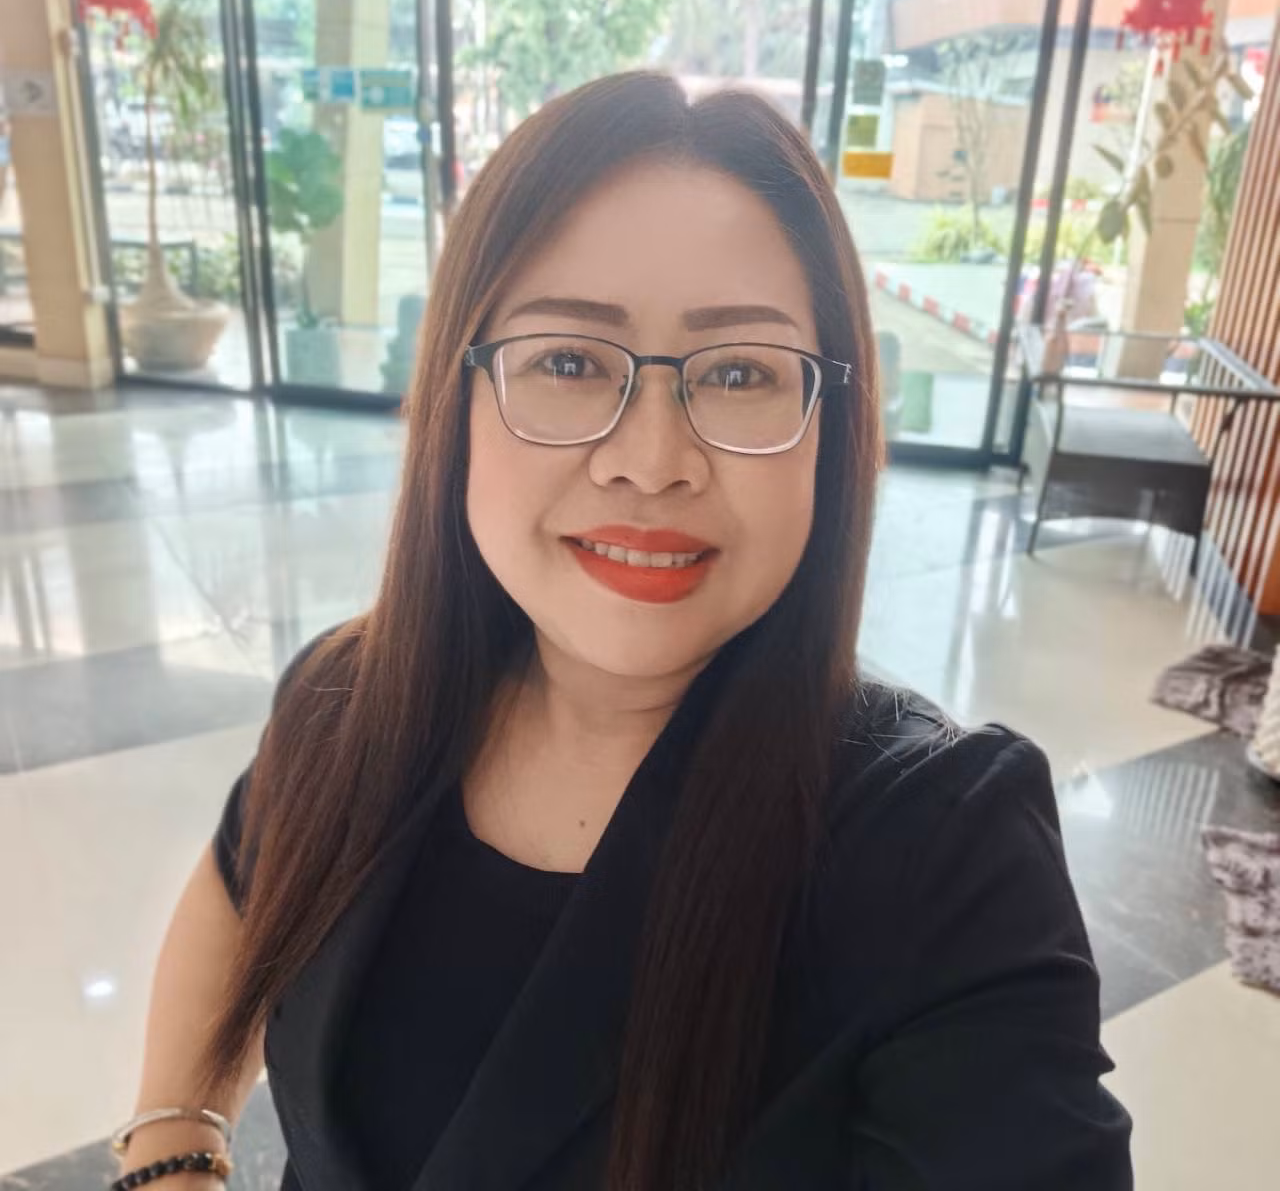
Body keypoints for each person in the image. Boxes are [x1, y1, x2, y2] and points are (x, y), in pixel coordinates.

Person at [114, 72, 1132, 1191]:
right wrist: (173, 1144)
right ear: (456, 397)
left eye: (738, 373)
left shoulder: (945, 851)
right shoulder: (349, 699)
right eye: (568, 361)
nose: (651, 461)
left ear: (828, 427)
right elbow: (242, 876)